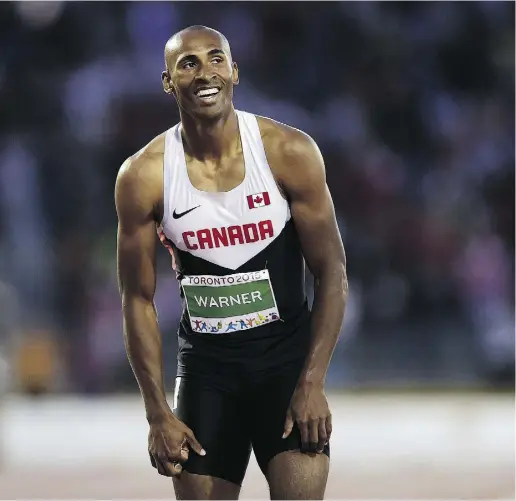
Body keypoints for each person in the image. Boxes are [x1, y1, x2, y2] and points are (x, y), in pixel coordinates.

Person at [115, 25, 348, 500]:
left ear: (234, 72)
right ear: (167, 81)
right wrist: (157, 412)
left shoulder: (288, 152)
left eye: (216, 59)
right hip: (207, 374)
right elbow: (137, 298)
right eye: (189, 63)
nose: (206, 72)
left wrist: (312, 382)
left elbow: (332, 273)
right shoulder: (144, 175)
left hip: (284, 367)